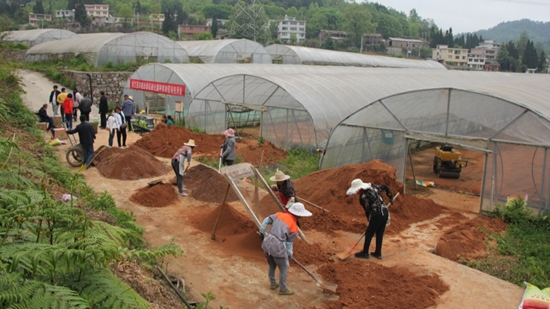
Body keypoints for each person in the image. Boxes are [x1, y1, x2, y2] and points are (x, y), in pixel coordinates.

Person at [259, 202, 312, 295]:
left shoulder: (279, 215)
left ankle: (273, 284)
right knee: (283, 269)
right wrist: (289, 255)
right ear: (299, 215)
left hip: (267, 244)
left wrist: (262, 232)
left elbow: (266, 220)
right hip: (278, 248)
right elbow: (288, 245)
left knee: (272, 266)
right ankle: (283, 289)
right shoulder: (294, 228)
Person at [346, 179, 393, 260]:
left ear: (360, 189)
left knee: (369, 233)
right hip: (384, 211)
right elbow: (385, 187)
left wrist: (370, 221)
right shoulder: (373, 186)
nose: (357, 192)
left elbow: (368, 211)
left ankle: (365, 252)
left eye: (357, 190)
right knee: (379, 233)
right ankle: (378, 253)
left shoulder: (363, 197)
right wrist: (390, 197)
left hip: (377, 214)